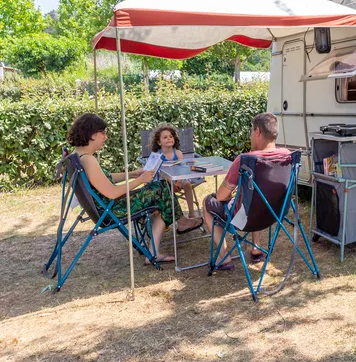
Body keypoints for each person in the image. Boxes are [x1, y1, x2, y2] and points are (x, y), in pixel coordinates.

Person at [66, 113, 198, 263]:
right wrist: (141, 180)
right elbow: (112, 192)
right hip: (112, 210)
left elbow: (104, 178)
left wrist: (132, 174)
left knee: (162, 188)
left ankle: (176, 227)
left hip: (106, 206)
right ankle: (175, 229)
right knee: (163, 189)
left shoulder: (79, 155)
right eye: (102, 132)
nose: (105, 137)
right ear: (91, 134)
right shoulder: (88, 160)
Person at [203, 112, 291, 269]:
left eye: (251, 131)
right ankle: (256, 247)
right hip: (274, 214)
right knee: (257, 198)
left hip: (246, 219)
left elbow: (222, 196)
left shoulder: (246, 160)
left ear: (257, 131)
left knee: (208, 201)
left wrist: (229, 194)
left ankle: (224, 256)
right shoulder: (288, 156)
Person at [150, 123, 199, 220]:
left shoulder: (178, 153)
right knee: (164, 188)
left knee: (187, 184)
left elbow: (181, 169)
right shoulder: (157, 155)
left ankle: (191, 213)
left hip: (178, 178)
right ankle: (163, 216)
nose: (169, 138)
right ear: (159, 142)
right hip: (164, 180)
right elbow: (160, 172)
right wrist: (171, 183)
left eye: (171, 136)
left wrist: (179, 182)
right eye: (165, 137)